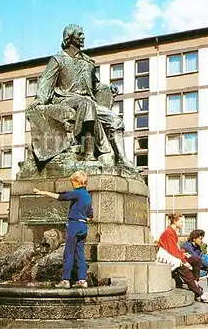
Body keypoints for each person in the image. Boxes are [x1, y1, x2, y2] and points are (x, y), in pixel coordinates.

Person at [29, 24, 134, 168]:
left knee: (116, 121)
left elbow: (94, 85)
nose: (83, 37)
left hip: (88, 100)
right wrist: (40, 100)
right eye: (80, 34)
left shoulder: (87, 61)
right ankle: (88, 152)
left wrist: (108, 88)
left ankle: (122, 160)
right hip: (66, 98)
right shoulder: (58, 59)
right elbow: (47, 82)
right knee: (86, 104)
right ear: (69, 38)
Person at [33, 170, 93, 289]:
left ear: (78, 182)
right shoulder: (87, 196)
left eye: (73, 182)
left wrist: (42, 192)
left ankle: (65, 281)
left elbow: (61, 197)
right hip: (83, 227)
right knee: (80, 254)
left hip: (74, 225)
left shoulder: (78, 193)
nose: (72, 185)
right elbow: (90, 216)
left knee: (68, 253)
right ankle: (82, 280)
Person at [157, 214, 208, 303]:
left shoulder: (172, 232)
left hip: (174, 255)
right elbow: (172, 250)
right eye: (181, 221)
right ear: (174, 221)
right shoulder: (168, 232)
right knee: (185, 270)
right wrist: (184, 261)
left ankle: (195, 282)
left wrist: (183, 254)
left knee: (197, 260)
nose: (183, 224)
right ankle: (199, 293)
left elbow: (175, 249)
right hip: (167, 257)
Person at [181, 229, 208, 300]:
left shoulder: (197, 247)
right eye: (200, 239)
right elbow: (197, 259)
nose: (202, 241)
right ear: (194, 238)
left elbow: (201, 258)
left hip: (196, 269)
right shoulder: (187, 246)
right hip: (190, 272)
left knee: (207, 257)